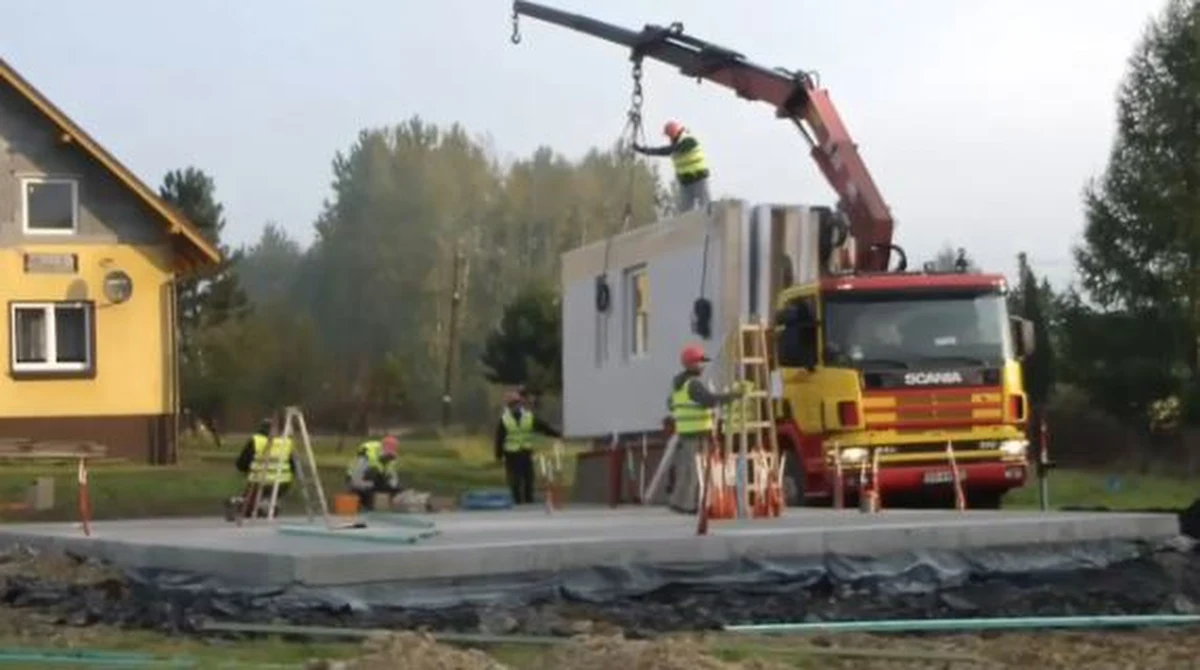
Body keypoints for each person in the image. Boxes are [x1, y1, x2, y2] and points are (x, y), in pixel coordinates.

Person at [666, 344, 744, 514]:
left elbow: (671, 404)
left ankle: (682, 502)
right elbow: (709, 400)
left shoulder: (678, 384)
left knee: (688, 469)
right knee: (695, 470)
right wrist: (734, 396)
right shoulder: (693, 385)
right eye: (701, 362)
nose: (703, 366)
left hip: (687, 432)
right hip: (697, 433)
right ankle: (686, 505)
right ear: (692, 364)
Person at [493, 387, 561, 504]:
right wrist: (499, 455)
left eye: (517, 404)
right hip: (512, 454)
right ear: (509, 406)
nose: (516, 406)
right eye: (513, 404)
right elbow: (499, 439)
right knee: (515, 480)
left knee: (528, 478)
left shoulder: (528, 417)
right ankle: (517, 502)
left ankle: (528, 501)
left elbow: (542, 427)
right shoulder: (505, 420)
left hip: (525, 452)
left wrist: (557, 434)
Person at [226, 417, 297, 520]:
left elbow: (241, 464)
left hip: (259, 482)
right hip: (283, 483)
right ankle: (266, 505)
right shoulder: (286, 442)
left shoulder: (256, 440)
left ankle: (244, 505)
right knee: (263, 494)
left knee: (249, 502)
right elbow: (293, 466)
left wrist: (248, 470)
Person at [634, 120, 711, 213]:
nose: (668, 138)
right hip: (685, 183)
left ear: (674, 133)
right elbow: (664, 151)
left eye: (669, 135)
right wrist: (643, 150)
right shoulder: (676, 144)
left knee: (705, 207)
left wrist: (646, 150)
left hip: (698, 179)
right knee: (684, 213)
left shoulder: (689, 140)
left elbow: (667, 150)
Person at [345, 435, 403, 512]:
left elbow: (393, 478)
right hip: (357, 483)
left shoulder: (390, 460)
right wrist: (372, 486)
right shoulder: (366, 456)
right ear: (381, 450)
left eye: (391, 455)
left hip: (374, 483)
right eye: (387, 454)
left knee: (397, 488)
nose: (388, 458)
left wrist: (393, 486)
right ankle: (364, 507)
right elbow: (355, 480)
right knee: (373, 473)